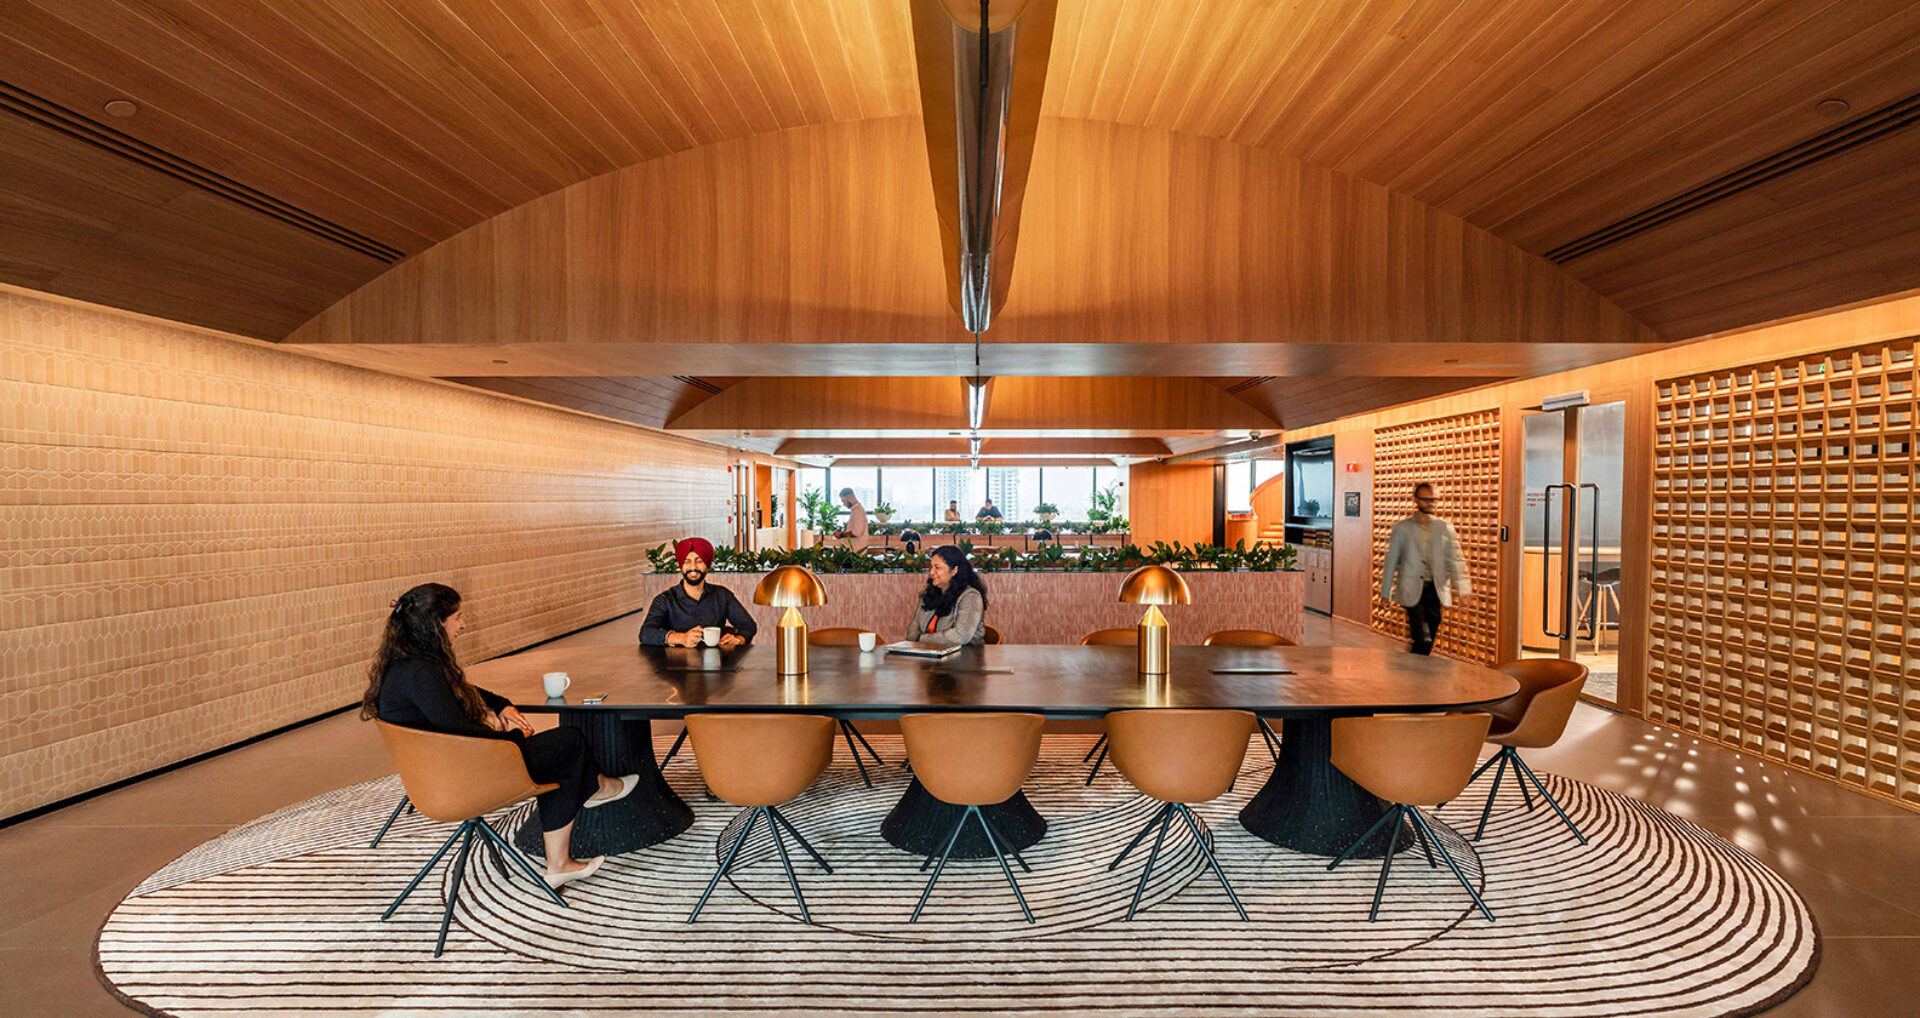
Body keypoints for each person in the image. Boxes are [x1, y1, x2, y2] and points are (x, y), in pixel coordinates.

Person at [362, 583, 637, 889]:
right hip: (464, 779)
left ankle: (589, 804)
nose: (462, 624)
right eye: (457, 617)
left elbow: (460, 692)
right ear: (435, 624)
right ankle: (594, 794)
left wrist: (500, 704)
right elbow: (460, 731)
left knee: (563, 755)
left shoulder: (404, 664)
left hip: (435, 775)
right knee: (569, 742)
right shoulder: (421, 673)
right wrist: (514, 737)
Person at [1379, 482, 1471, 655]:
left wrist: (1463, 589)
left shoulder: (1445, 528)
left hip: (1436, 589)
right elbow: (1391, 561)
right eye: (1426, 500)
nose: (1430, 503)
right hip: (1411, 589)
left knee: (1431, 632)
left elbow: (1456, 560)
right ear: (1416, 500)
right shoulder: (1402, 529)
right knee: (1422, 636)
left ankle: (1412, 664)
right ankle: (1416, 667)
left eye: (1434, 500)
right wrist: (1385, 593)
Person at [639, 538, 757, 648]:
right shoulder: (665, 599)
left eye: (699, 561)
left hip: (717, 661)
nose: (693, 567)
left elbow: (748, 625)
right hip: (675, 662)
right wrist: (682, 638)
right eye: (687, 562)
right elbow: (646, 633)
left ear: (707, 565)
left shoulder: (722, 595)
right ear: (681, 566)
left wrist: (738, 640)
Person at [905, 544, 988, 646]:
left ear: (954, 570)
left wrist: (921, 639)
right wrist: (920, 640)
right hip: (927, 653)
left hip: (964, 655)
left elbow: (961, 636)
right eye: (931, 567)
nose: (931, 572)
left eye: (937, 567)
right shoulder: (929, 594)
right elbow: (913, 629)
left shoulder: (970, 596)